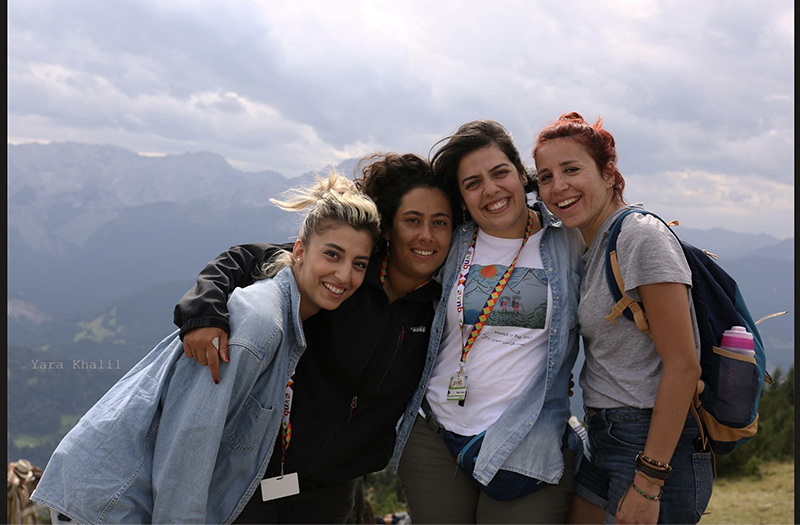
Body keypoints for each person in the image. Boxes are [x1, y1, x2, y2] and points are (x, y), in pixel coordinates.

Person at [30, 173, 381, 524]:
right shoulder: (261, 325)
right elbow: (189, 443)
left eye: (359, 264)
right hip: (113, 499)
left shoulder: (290, 320)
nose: (344, 275)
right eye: (332, 255)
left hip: (126, 494)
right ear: (300, 251)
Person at [171, 152, 458, 523]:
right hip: (259, 470)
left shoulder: (440, 307)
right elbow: (242, 258)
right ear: (389, 228)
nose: (426, 235)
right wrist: (204, 315)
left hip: (333, 490)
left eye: (440, 223)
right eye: (412, 220)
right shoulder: (348, 270)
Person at [393, 120, 586, 524]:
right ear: (462, 199)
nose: (492, 190)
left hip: (525, 439)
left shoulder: (570, 241)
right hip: (433, 434)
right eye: (473, 183)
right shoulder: (453, 241)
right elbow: (350, 247)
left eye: (500, 173)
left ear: (521, 175)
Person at [533, 112, 713, 524]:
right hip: (605, 435)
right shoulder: (586, 240)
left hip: (651, 441)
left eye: (572, 169)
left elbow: (684, 366)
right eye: (545, 176)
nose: (558, 186)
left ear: (609, 173)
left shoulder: (640, 237)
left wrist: (649, 482)